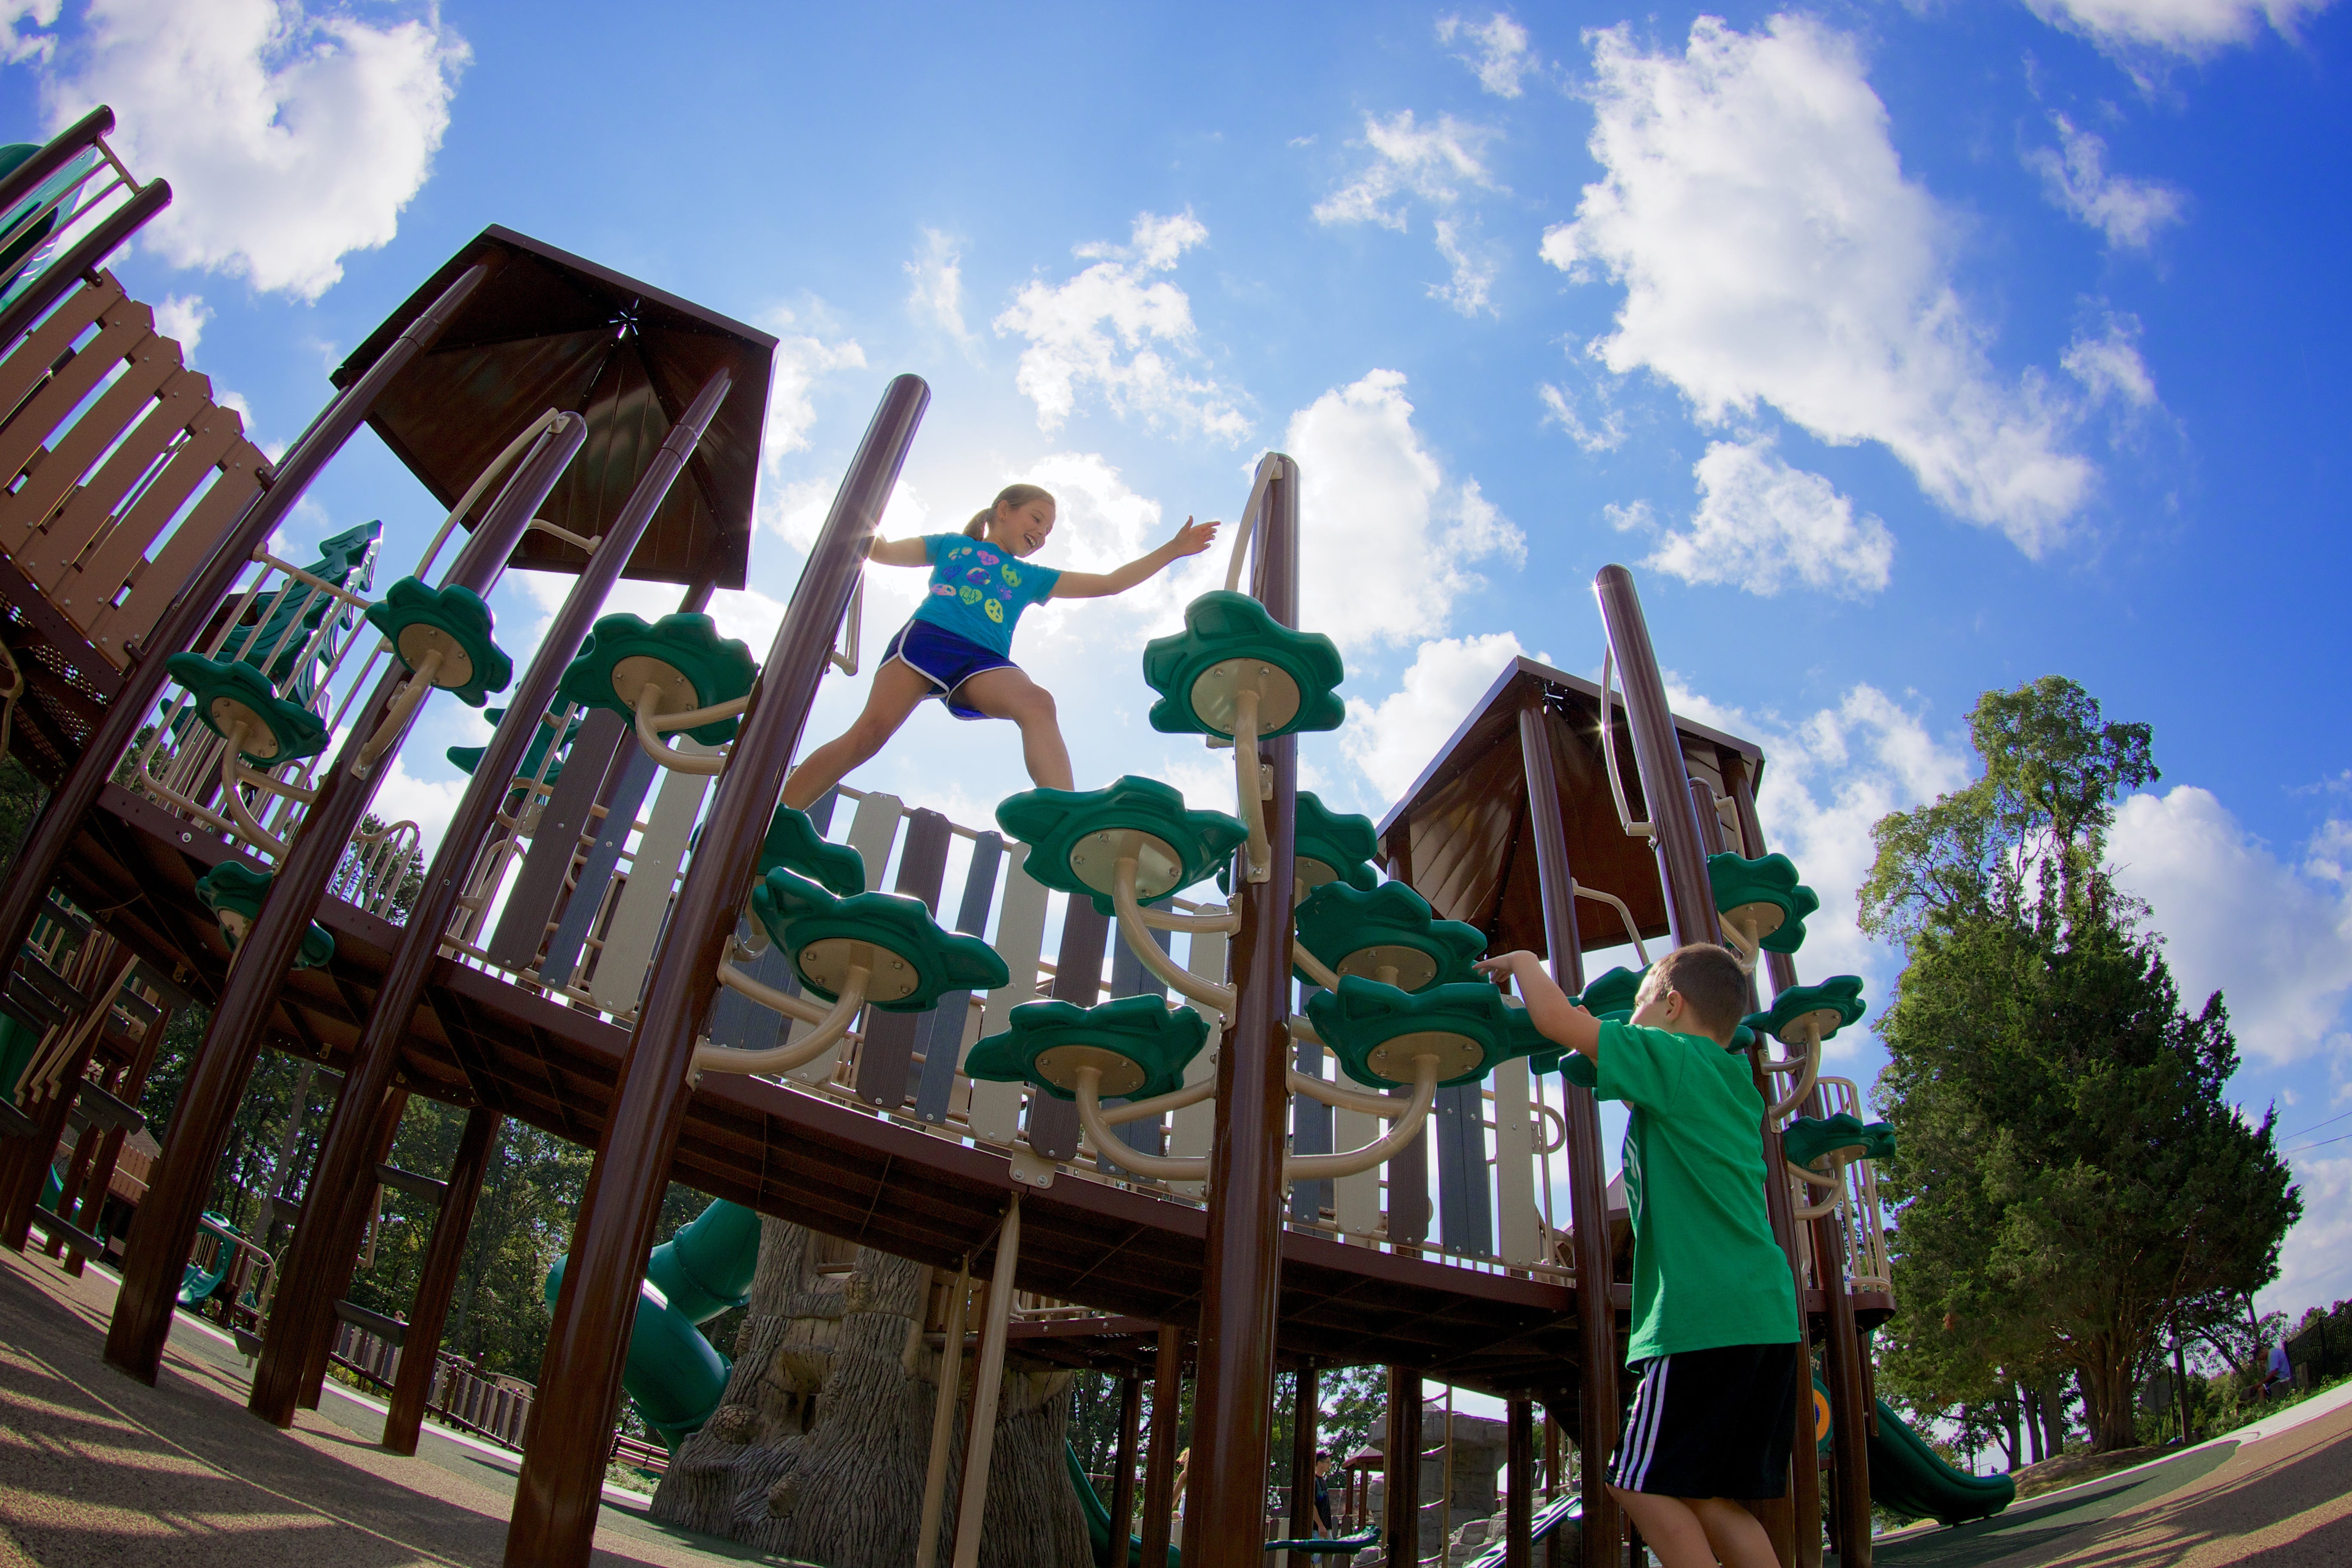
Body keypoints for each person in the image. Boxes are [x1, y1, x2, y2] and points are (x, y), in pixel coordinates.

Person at [1475, 943, 1800, 1568]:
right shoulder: (1734, 1081)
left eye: (1640, 1006)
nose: (1631, 1022)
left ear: (1673, 1006)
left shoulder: (1673, 1057)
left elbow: (1558, 1023)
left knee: (1635, 1481)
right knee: (1710, 1498)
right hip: (1767, 1316)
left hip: (1702, 1317)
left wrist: (1522, 964)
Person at [780, 483, 1219, 810]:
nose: (1042, 533)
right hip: (930, 640)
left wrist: (1174, 549)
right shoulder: (954, 546)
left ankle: (1062, 812)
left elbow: (1108, 584)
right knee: (868, 737)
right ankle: (780, 812)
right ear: (1004, 511)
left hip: (984, 661)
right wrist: (850, 514)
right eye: (1037, 519)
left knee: (1038, 703)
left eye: (1048, 529)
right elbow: (884, 551)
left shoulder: (1032, 577)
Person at [1311, 1449, 1335, 1537]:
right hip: (1317, 1530)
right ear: (1320, 1464)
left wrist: (1329, 1524)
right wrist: (1320, 1525)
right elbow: (1312, 1506)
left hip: (1326, 1528)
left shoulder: (1323, 1481)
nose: (1330, 1465)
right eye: (1327, 1462)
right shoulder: (1314, 1481)